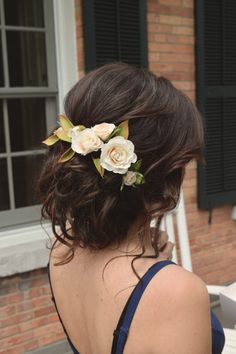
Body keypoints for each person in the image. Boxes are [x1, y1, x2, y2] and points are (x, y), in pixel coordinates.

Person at [38, 63, 225, 354]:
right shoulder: (176, 293)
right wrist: (162, 279)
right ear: (164, 176)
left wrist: (157, 268)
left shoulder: (61, 253)